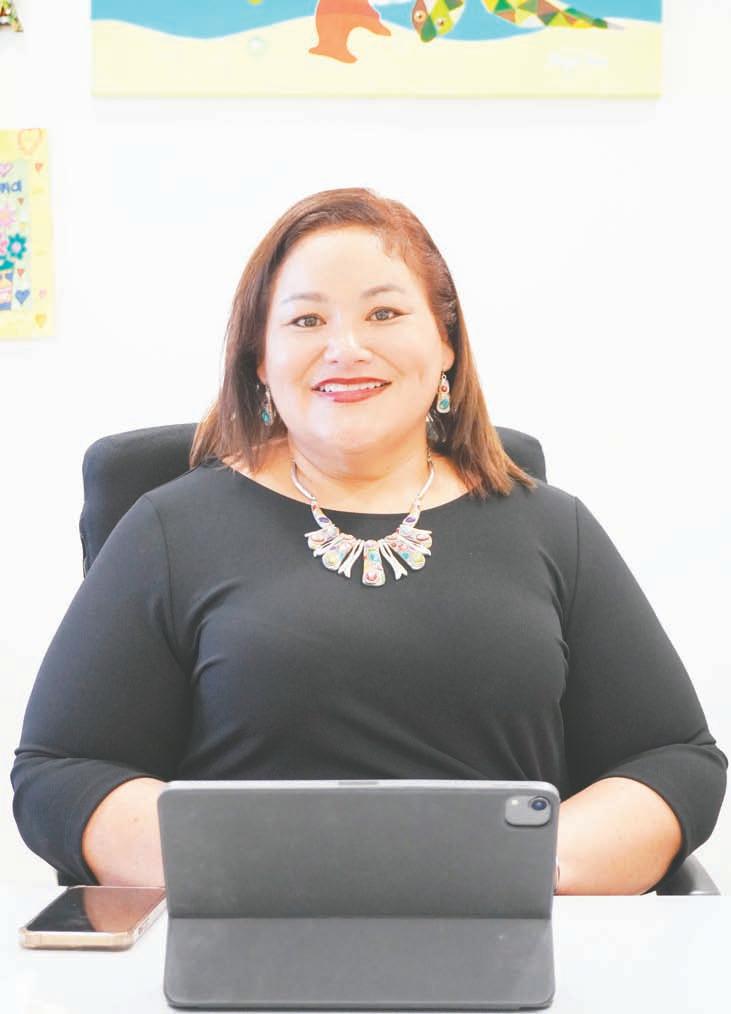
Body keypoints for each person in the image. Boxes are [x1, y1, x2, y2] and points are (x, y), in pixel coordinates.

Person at [11, 187, 727, 893]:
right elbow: (62, 774)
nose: (345, 349)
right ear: (260, 359)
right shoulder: (168, 530)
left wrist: (522, 868)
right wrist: (255, 872)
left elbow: (672, 759)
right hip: (247, 938)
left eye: (383, 313)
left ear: (445, 343)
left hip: (509, 938)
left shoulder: (552, 527)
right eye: (306, 320)